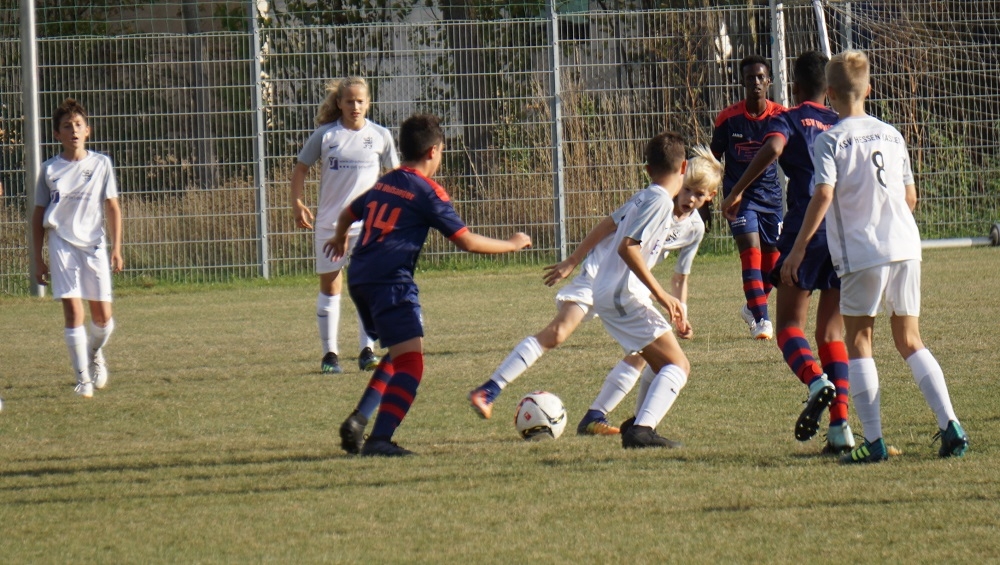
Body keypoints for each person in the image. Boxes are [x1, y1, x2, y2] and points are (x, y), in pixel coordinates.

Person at [781, 50, 969, 463]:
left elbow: (824, 193)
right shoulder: (892, 134)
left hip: (863, 251)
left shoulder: (831, 139)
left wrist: (798, 249)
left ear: (830, 95)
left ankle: (874, 440)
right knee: (910, 340)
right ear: (868, 89)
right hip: (906, 247)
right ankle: (951, 426)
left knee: (859, 341)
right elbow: (910, 197)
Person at [467, 147, 723, 436]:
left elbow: (680, 276)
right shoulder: (654, 200)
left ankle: (596, 416)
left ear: (710, 196)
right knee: (558, 333)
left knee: (645, 350)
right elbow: (608, 226)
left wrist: (681, 313)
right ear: (679, 178)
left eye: (699, 194)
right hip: (599, 273)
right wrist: (573, 260)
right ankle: (489, 389)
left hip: (630, 286)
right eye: (687, 189)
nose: (690, 199)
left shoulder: (694, 228)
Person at [328, 114, 531, 457]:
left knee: (399, 350)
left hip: (360, 275)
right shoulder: (428, 191)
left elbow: (349, 213)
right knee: (412, 363)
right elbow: (466, 241)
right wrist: (512, 244)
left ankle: (359, 420)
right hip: (390, 281)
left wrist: (338, 238)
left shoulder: (387, 181)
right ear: (433, 151)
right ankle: (380, 440)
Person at [720, 51, 853, 453]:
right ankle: (841, 427)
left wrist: (737, 190)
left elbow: (775, 148)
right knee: (832, 333)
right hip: (844, 232)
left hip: (804, 230)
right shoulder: (843, 123)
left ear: (794, 87)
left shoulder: (790, 118)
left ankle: (815, 380)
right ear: (829, 89)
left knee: (789, 328)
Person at [290, 77, 400, 375]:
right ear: (339, 103)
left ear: (368, 103)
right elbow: (300, 168)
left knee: (369, 286)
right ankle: (330, 355)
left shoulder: (380, 135)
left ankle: (367, 350)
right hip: (330, 224)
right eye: (349, 101)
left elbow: (396, 175)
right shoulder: (326, 135)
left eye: (360, 101)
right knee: (331, 287)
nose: (355, 106)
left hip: (368, 225)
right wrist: (297, 203)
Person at [588, 130, 691, 449]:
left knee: (661, 365)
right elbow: (628, 247)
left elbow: (613, 229)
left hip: (611, 291)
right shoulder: (659, 201)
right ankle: (642, 431)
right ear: (684, 167)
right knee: (678, 366)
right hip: (623, 294)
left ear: (647, 169)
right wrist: (662, 295)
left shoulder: (645, 196)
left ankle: (639, 424)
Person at [30, 98, 123, 399]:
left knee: (103, 319)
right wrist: (38, 259)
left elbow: (112, 207)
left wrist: (116, 248)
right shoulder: (49, 169)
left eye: (78, 125)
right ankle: (83, 380)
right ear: (57, 134)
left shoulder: (101, 164)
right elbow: (38, 216)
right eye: (67, 126)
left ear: (87, 131)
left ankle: (94, 353)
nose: (73, 130)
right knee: (73, 312)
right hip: (61, 243)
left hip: (93, 245)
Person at [711, 54, 787, 340]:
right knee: (751, 252)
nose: (755, 82)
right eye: (750, 77)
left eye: (760, 77)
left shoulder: (780, 116)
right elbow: (712, 159)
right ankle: (762, 319)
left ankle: (751, 307)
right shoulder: (728, 119)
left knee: (774, 262)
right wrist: (708, 198)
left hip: (771, 199)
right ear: (742, 82)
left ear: (769, 81)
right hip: (739, 200)